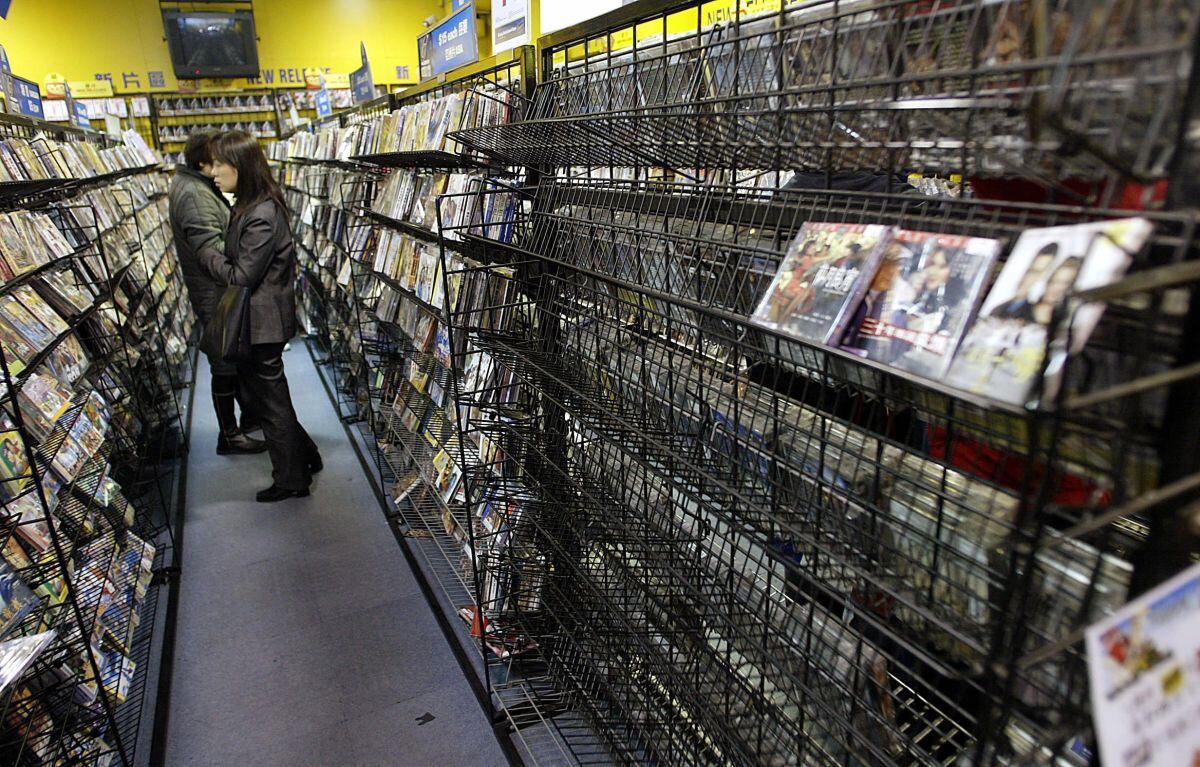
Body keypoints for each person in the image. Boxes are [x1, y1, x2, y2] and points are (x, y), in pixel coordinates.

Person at [199, 131, 322, 502]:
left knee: (270, 403)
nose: (213, 172)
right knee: (266, 399)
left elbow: (242, 276)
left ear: (241, 166)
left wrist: (207, 255)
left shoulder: (261, 215)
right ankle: (304, 457)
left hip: (261, 323)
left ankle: (292, 479)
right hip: (258, 320)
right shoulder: (252, 205)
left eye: (219, 164)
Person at [167, 131, 265, 456]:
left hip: (217, 289)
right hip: (215, 291)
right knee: (224, 364)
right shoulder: (194, 195)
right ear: (203, 163)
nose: (223, 166)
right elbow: (209, 249)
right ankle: (230, 435)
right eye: (218, 160)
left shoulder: (195, 186)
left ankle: (245, 421)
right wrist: (248, 251)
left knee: (231, 361)